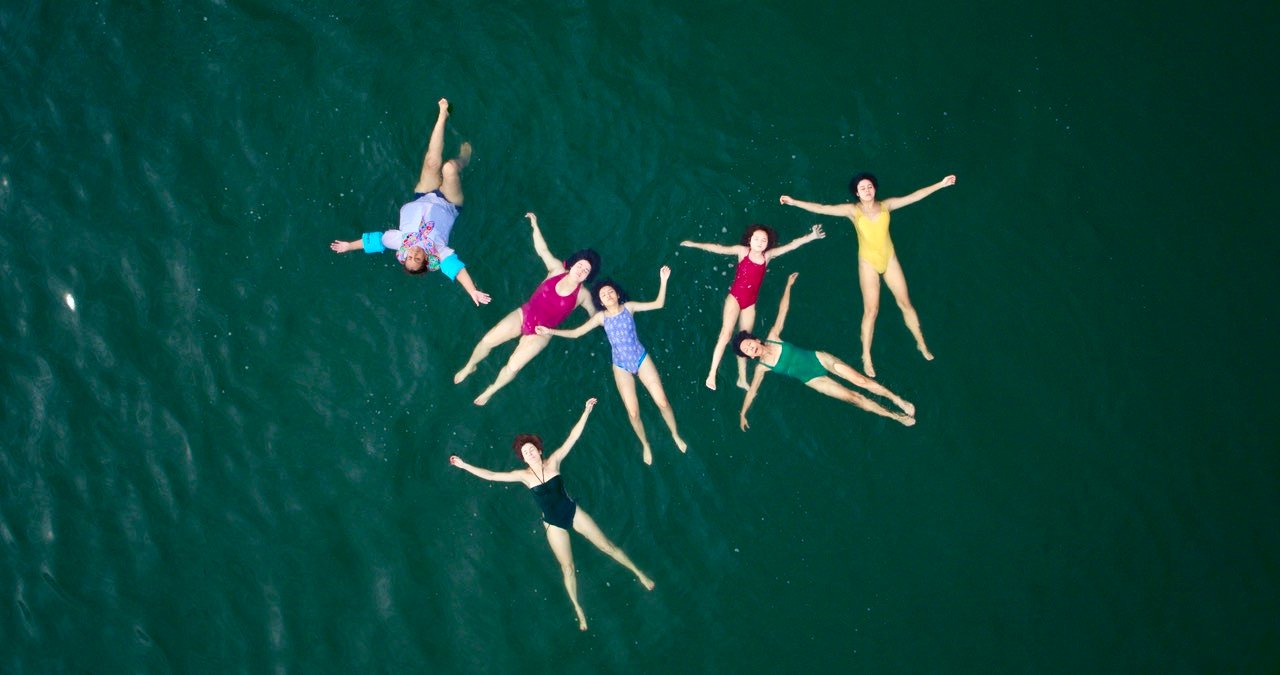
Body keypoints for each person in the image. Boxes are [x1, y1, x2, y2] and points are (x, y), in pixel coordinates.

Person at [449, 398, 655, 632]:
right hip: (553, 524)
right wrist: (464, 465)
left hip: (572, 511)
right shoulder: (523, 476)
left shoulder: (554, 461)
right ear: (523, 458)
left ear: (539, 450)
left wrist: (586, 411)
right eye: (525, 452)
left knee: (606, 546)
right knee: (568, 567)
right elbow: (492, 475)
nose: (529, 453)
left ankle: (638, 573)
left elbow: (573, 438)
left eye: (531, 449)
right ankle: (578, 609)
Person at [780, 173, 956, 377]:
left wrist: (941, 184)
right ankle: (866, 356)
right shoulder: (852, 211)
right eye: (862, 188)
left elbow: (914, 196)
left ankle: (921, 343)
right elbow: (822, 208)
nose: (867, 190)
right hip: (868, 264)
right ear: (856, 193)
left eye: (870, 186)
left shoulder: (886, 205)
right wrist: (794, 202)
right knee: (871, 310)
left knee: (905, 303)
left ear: (875, 188)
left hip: (890, 260)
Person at [330, 98, 491, 306]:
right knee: (449, 168)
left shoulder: (399, 242)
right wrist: (472, 291)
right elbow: (457, 270)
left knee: (432, 162)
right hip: (449, 204)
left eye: (409, 258)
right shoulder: (439, 252)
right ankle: (465, 156)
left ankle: (443, 115)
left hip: (422, 195)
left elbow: (375, 241)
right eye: (417, 259)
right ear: (425, 260)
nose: (413, 254)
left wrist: (349, 246)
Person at [536, 266, 687, 465]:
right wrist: (550, 331)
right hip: (621, 365)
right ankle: (645, 444)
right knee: (633, 413)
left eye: (610, 292)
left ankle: (675, 434)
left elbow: (658, 304)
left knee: (663, 402)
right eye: (603, 295)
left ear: (617, 294)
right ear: (600, 301)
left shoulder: (629, 307)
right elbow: (576, 333)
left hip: (640, 358)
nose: (607, 295)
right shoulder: (601, 318)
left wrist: (664, 280)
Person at [736, 273, 916, 430]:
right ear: (750, 356)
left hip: (820, 359)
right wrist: (743, 413)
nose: (750, 348)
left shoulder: (773, 336)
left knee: (861, 381)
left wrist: (788, 286)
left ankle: (897, 399)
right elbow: (752, 391)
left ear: (755, 339)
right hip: (813, 380)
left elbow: (783, 311)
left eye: (749, 343)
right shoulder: (762, 368)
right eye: (747, 350)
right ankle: (895, 416)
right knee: (854, 398)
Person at [454, 212, 599, 405]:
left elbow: (594, 316)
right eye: (580, 265)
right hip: (524, 315)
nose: (581, 270)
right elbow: (542, 250)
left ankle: (492, 389)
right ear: (573, 264)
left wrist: (605, 318)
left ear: (588, 276)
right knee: (487, 340)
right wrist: (535, 225)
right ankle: (470, 366)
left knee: (513, 366)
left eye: (586, 270)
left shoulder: (583, 295)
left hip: (542, 333)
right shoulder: (556, 269)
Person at [680, 223, 825, 391]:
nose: (760, 242)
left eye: (764, 240)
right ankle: (711, 373)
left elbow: (791, 245)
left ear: (767, 243)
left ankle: (742, 378)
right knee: (726, 334)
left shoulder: (767, 256)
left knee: (746, 341)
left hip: (750, 303)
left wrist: (812, 236)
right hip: (735, 298)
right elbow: (718, 248)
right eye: (756, 239)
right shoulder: (743, 251)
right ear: (750, 240)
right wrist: (694, 244)